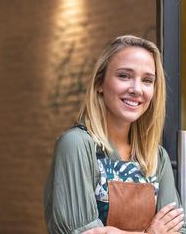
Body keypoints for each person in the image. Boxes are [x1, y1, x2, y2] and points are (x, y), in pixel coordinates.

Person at [44, 35, 185, 234]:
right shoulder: (78, 145)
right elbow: (80, 232)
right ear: (99, 83)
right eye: (124, 76)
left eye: (147, 80)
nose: (136, 89)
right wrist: (150, 233)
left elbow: (178, 229)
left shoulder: (155, 157)